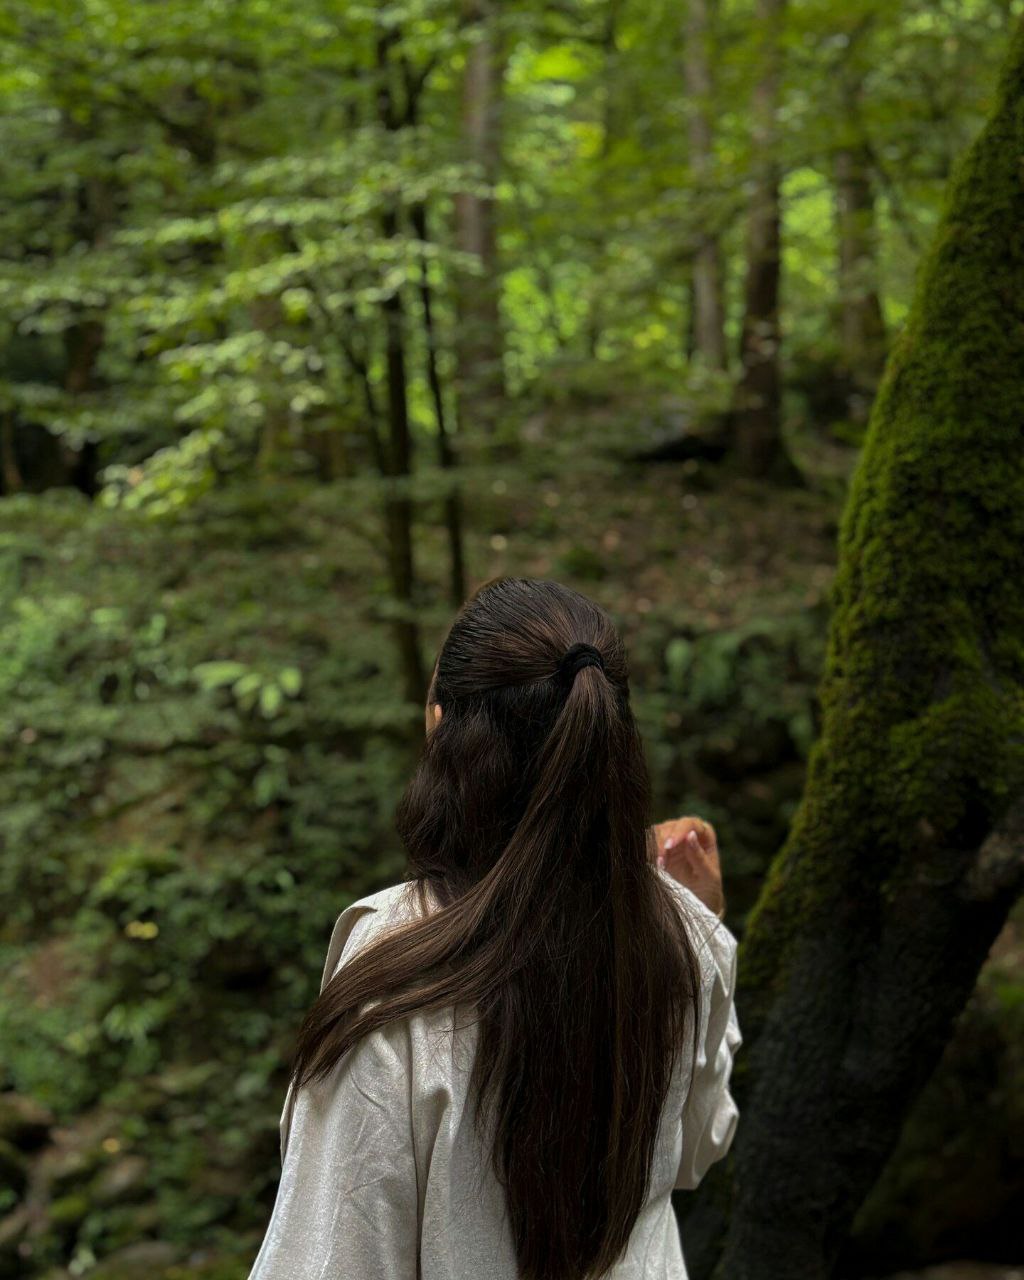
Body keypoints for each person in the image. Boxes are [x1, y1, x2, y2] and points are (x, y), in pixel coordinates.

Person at [248, 577, 741, 1280]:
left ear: (440, 727)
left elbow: (331, 1257)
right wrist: (703, 922)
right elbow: (696, 1150)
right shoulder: (683, 936)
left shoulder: (401, 966)